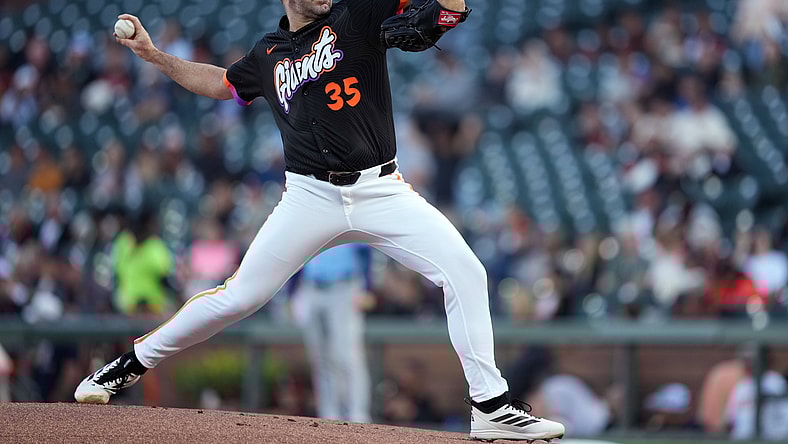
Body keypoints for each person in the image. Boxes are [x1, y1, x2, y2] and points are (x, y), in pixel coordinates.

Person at [73, 1, 565, 441]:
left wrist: (449, 8)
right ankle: (130, 362)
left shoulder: (356, 14)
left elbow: (439, 12)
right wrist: (156, 56)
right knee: (240, 296)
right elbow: (222, 84)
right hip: (309, 195)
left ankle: (490, 405)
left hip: (379, 188)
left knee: (466, 272)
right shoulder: (268, 54)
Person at [290, 243, 373, 423]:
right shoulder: (310, 220)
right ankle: (329, 414)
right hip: (310, 287)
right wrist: (292, 292)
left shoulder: (349, 215)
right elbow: (297, 253)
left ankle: (358, 414)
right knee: (320, 358)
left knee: (347, 355)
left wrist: (367, 287)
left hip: (344, 287)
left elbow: (366, 250)